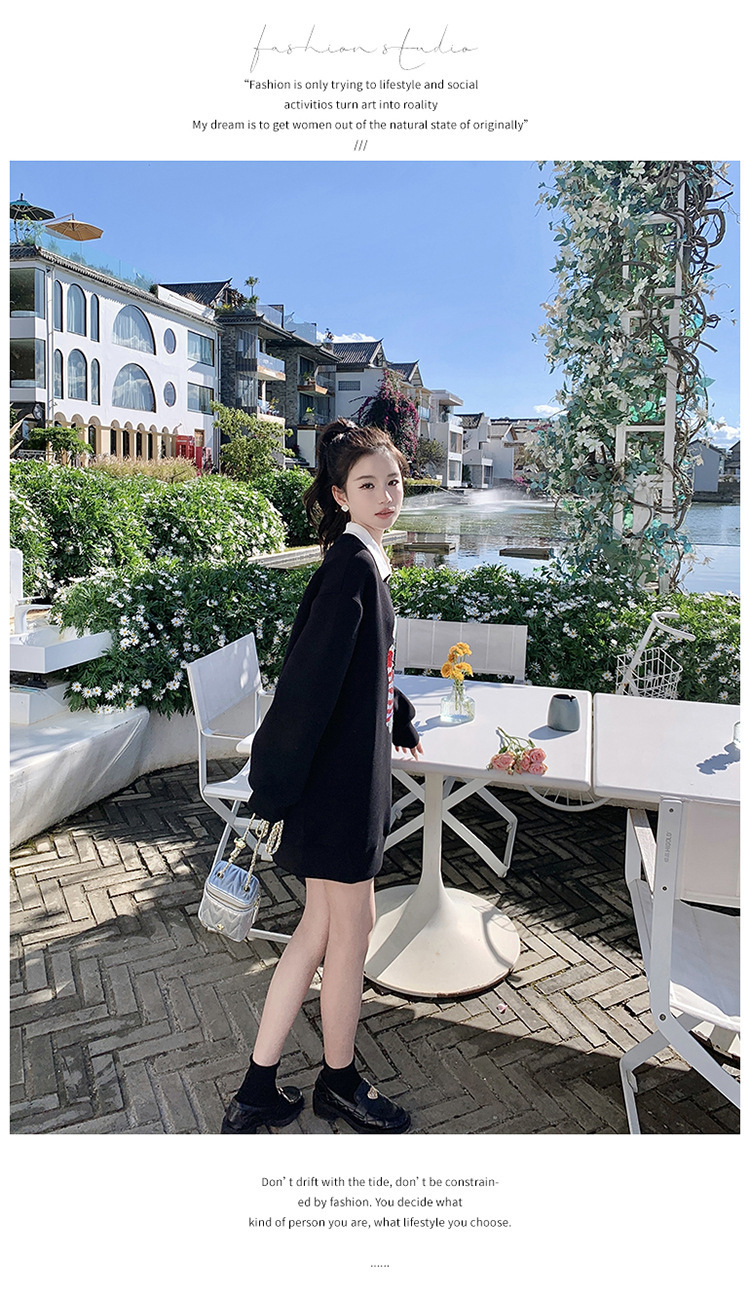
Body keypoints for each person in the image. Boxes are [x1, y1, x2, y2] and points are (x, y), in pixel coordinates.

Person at [221, 419, 423, 1135]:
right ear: (340, 495)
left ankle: (257, 1087)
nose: (385, 495)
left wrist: (398, 717)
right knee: (349, 933)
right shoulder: (352, 569)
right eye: (368, 484)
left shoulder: (360, 561)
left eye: (392, 481)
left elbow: (362, 667)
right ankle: (337, 1081)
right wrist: (272, 787)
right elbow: (305, 687)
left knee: (319, 931)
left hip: (340, 782)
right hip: (339, 793)